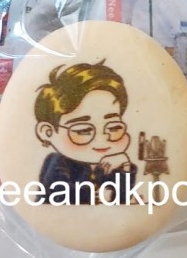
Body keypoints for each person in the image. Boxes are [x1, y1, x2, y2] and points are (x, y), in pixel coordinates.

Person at [34, 61, 138, 203]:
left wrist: (125, 167)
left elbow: (123, 200)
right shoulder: (58, 162)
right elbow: (57, 199)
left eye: (114, 128)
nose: (101, 139)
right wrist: (98, 194)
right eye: (83, 130)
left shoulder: (113, 163)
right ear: (47, 132)